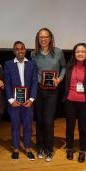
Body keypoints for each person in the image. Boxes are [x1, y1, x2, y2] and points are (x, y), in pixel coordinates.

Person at [31, 27, 66, 161]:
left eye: (46, 37)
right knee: (39, 120)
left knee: (48, 121)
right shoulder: (33, 54)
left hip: (52, 91)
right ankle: (40, 147)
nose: (43, 39)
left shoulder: (58, 52)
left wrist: (60, 78)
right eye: (41, 37)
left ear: (50, 38)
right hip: (38, 90)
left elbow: (63, 67)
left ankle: (49, 149)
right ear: (38, 39)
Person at [4, 41, 38, 160]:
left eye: (22, 48)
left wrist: (32, 99)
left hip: (28, 102)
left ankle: (28, 148)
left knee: (28, 126)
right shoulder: (8, 64)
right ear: (14, 51)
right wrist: (11, 99)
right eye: (17, 49)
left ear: (25, 50)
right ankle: (16, 149)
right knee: (15, 125)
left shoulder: (32, 64)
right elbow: (7, 83)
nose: (20, 51)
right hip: (14, 102)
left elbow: (34, 83)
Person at [63, 43, 86, 163]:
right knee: (70, 127)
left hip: (84, 103)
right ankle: (70, 148)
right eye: (77, 51)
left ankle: (82, 151)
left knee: (83, 128)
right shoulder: (68, 67)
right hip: (70, 101)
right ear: (74, 53)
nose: (80, 53)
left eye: (82, 51)